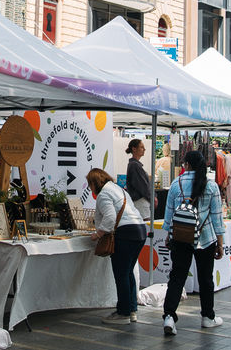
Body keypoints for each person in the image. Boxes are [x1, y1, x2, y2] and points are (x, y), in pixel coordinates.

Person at [162, 151, 224, 335]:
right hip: (205, 240)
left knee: (177, 277)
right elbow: (217, 219)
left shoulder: (176, 183)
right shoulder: (211, 186)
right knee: (206, 279)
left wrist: (169, 235)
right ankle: (208, 317)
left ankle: (169, 317)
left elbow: (169, 215)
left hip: (180, 238)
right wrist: (220, 243)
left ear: (187, 164)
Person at [87, 168, 147, 325]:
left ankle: (123, 312)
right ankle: (131, 310)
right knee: (128, 273)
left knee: (121, 274)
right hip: (139, 230)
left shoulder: (104, 194)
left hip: (126, 234)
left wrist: (98, 234)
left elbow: (110, 217)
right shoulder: (118, 189)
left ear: (94, 183)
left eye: (89, 184)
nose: (89, 188)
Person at [125, 139, 153, 220]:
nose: (144, 149)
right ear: (134, 149)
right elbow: (142, 186)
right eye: (141, 147)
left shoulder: (135, 165)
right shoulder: (134, 165)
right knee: (145, 226)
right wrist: (151, 197)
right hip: (140, 202)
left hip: (140, 202)